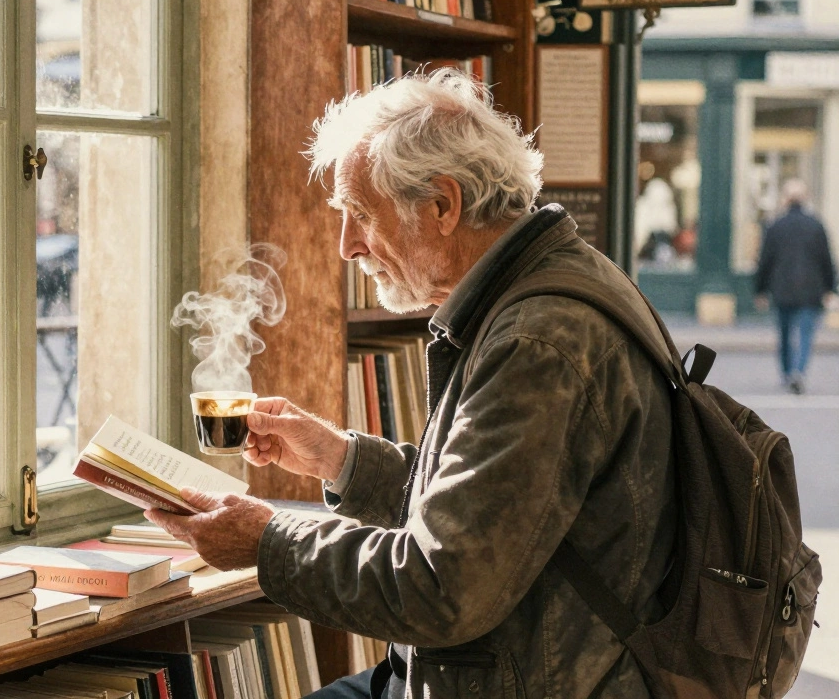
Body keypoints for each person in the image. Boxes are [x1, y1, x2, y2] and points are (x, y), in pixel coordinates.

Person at [146, 70, 677, 698]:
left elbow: (440, 587)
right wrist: (340, 460)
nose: (346, 246)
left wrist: (266, 540)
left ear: (444, 206)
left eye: (361, 214)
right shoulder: (545, 289)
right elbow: (491, 512)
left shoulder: (537, 341)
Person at [755, 179, 836, 395]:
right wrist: (830, 288)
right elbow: (826, 260)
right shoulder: (816, 225)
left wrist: (760, 289)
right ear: (805, 198)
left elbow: (765, 260)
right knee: (806, 334)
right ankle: (798, 371)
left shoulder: (775, 226)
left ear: (785, 199)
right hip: (811, 289)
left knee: (784, 333)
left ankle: (787, 371)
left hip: (781, 289)